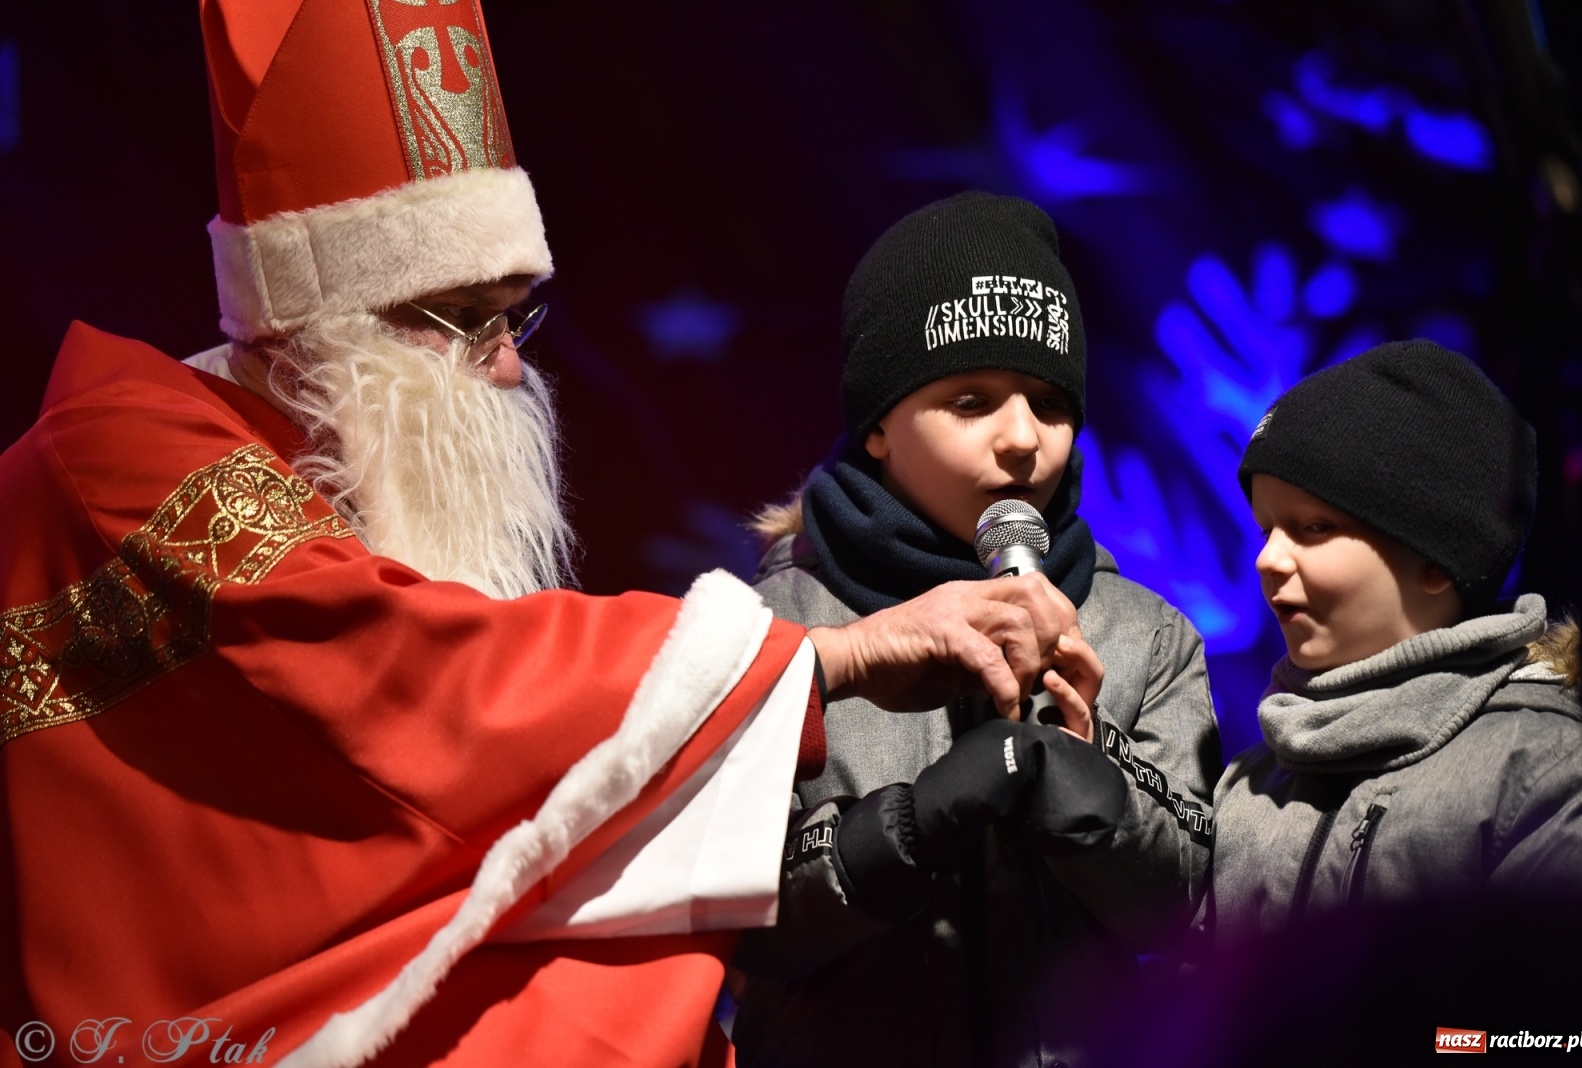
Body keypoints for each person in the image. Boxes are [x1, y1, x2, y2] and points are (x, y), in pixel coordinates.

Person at [0, 5, 1102, 1066]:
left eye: (516, 313)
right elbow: (416, 685)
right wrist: (840, 655)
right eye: (467, 320)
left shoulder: (337, 449)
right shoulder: (122, 460)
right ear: (318, 330)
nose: (512, 364)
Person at [729, 192, 1223, 1068]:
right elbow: (736, 926)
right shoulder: (775, 626)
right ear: (878, 425)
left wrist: (1099, 780)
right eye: (970, 400)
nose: (1023, 439)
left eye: (1049, 402)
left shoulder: (1147, 635)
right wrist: (906, 828)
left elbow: (1194, 904)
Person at [1211, 339, 1582, 941]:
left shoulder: (1542, 769)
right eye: (1266, 530)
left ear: (1438, 557)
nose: (1269, 559)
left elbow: (1540, 1032)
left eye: (1315, 528)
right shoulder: (1251, 782)